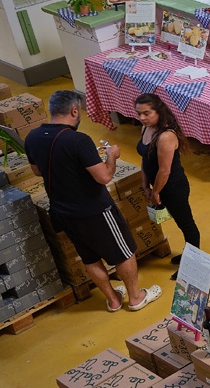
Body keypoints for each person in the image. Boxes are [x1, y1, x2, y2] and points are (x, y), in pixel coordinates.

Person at [24, 90, 160, 312]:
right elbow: (104, 176)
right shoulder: (78, 140)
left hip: (63, 212)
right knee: (123, 252)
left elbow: (38, 171)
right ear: (74, 111)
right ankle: (135, 297)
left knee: (89, 257)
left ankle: (114, 300)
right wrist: (111, 156)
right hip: (96, 210)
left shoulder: (32, 138)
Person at [134, 93, 199, 278]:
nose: (142, 118)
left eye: (147, 113)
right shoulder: (146, 128)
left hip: (173, 187)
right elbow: (145, 159)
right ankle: (189, 254)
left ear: (158, 111)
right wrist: (145, 184)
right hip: (159, 186)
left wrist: (155, 192)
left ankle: (193, 266)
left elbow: (164, 171)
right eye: (139, 113)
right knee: (181, 223)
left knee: (186, 224)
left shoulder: (166, 136)